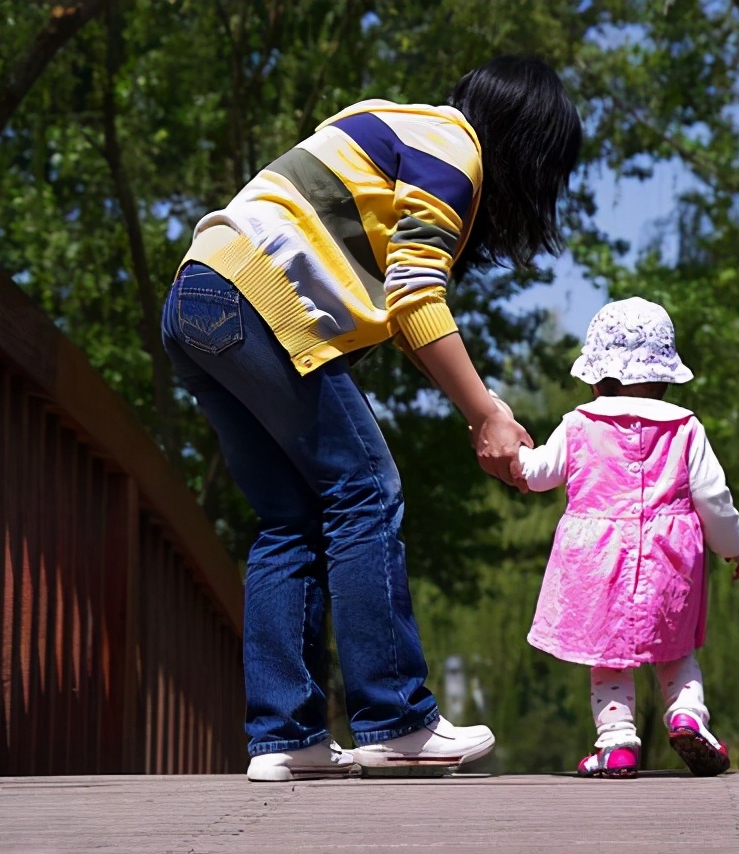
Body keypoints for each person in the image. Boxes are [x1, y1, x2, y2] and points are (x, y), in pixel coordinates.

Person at [159, 56, 581, 782]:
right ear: (527, 141)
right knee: (366, 488)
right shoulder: (456, 150)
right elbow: (415, 295)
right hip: (257, 297)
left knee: (289, 516)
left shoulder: (399, 127)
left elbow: (388, 292)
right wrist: (487, 411)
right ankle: (397, 721)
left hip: (198, 295)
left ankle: (286, 736)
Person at [515, 297, 739, 779]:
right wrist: (734, 546)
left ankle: (616, 744)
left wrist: (508, 449)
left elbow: (538, 474)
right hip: (670, 563)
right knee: (676, 650)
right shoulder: (686, 428)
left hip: (598, 563)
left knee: (608, 657)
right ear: (665, 373)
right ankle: (687, 717)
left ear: (597, 373)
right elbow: (713, 498)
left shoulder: (579, 423)